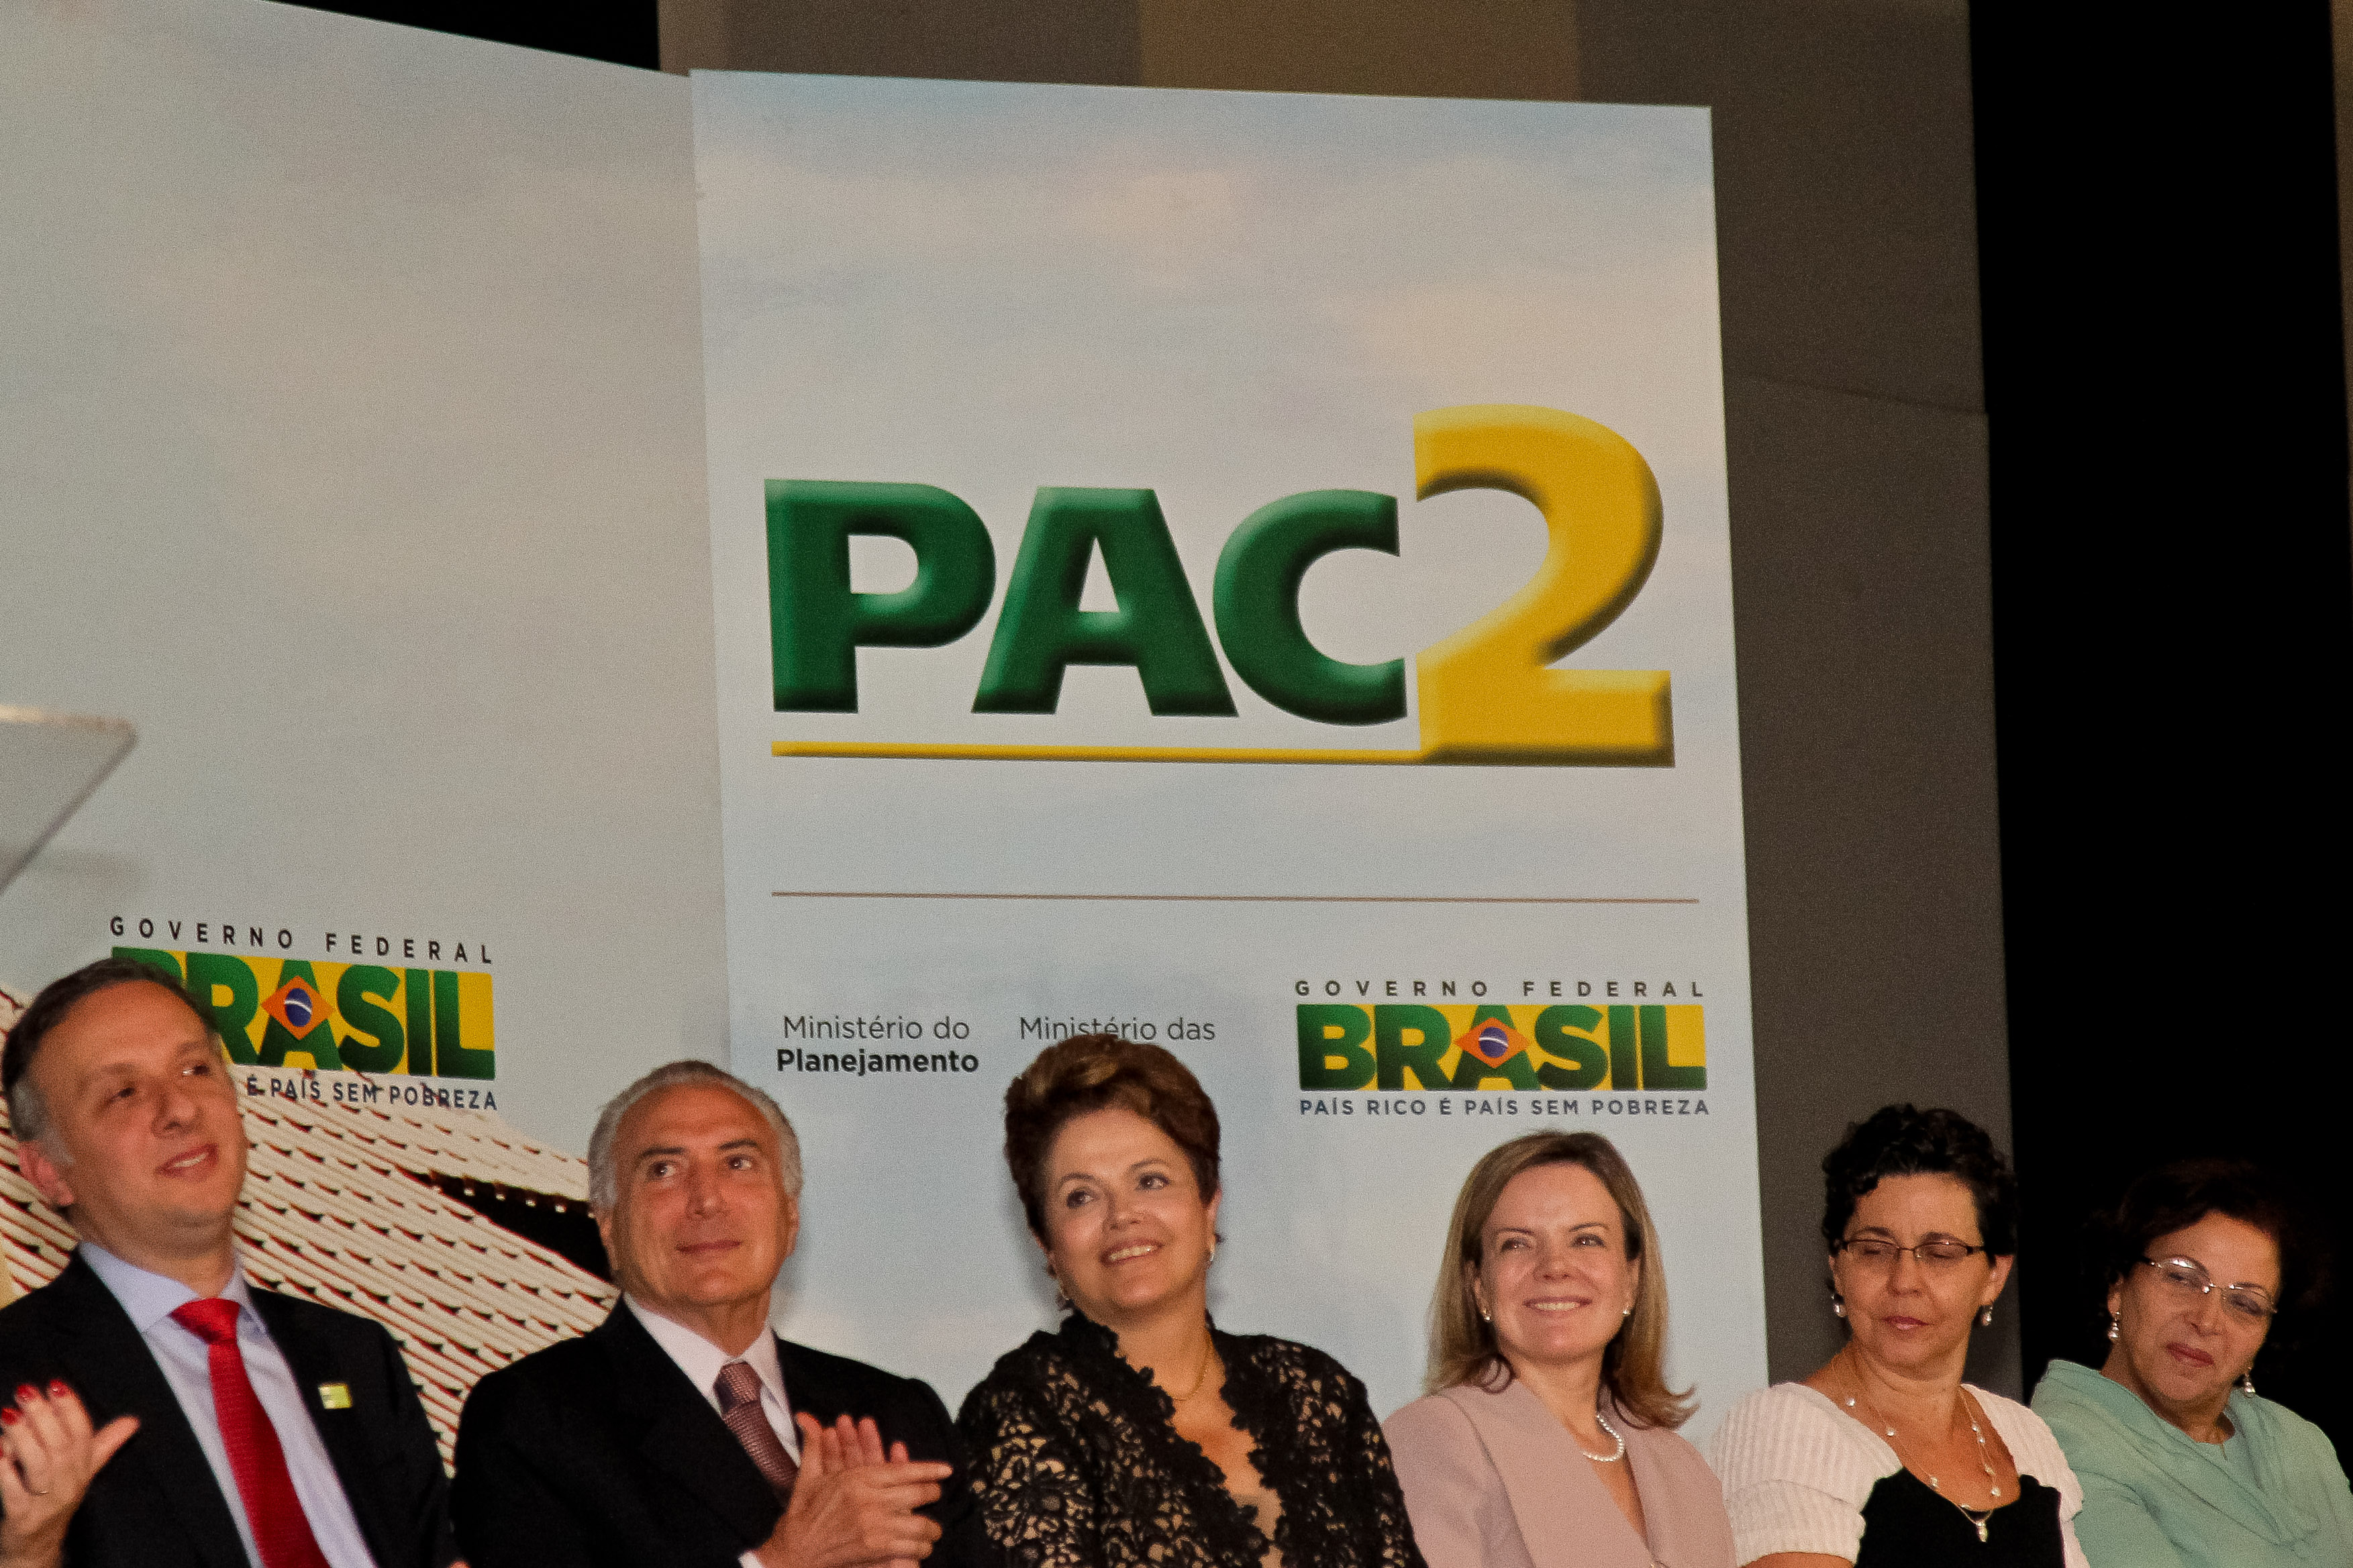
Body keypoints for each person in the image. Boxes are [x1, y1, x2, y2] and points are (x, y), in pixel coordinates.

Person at [0, 955, 460, 1568]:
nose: (181, 1108)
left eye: (196, 1068)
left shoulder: (354, 1354)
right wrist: (27, 1552)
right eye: (124, 1092)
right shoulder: (16, 1373)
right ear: (49, 1172)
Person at [451, 1059, 989, 1568]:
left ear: (791, 1213)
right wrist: (779, 1564)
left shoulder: (898, 1413)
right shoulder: (531, 1420)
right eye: (663, 1169)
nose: (707, 1199)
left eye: (738, 1163)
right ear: (609, 1225)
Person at [956, 1033, 1423, 1568]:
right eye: (1081, 1196)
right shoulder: (1022, 1409)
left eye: (1151, 1180)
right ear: (1048, 1244)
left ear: (1208, 1208)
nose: (1122, 1214)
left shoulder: (1316, 1391)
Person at [1709, 1104, 2087, 1567]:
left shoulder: (2025, 1438)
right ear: (1837, 1265)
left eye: (1940, 1252)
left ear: (1994, 1274)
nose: (1904, 1280)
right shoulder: (1785, 1429)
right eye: (1874, 1249)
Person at [1385, 1131, 1735, 1568]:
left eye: (1586, 1239)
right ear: (1479, 1287)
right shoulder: (1432, 1440)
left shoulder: (1681, 1467)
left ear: (1631, 1277)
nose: (1554, 1266)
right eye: (1517, 1243)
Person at [2030, 1157, 2353, 1567]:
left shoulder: (2300, 1442)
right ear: (2117, 1286)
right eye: (2181, 1277)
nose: (2206, 1321)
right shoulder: (2063, 1444)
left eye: (2245, 1303)